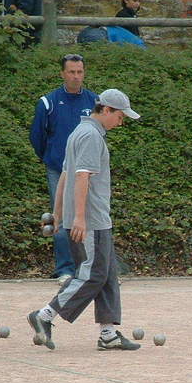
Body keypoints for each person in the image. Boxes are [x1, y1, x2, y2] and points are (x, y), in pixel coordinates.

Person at [27, 89, 143, 352]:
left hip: (90, 218)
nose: (121, 122)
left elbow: (64, 176)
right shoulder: (91, 136)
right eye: (120, 116)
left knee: (106, 274)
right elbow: (81, 178)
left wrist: (58, 215)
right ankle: (45, 315)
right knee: (93, 274)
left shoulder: (78, 133)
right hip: (91, 220)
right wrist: (79, 218)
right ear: (106, 110)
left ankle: (108, 333)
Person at [30, 54, 99, 284]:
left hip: (87, 171)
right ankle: (64, 269)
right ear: (62, 73)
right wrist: (52, 159)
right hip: (58, 169)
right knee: (59, 216)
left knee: (89, 215)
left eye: (80, 72)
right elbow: (37, 137)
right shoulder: (48, 102)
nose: (76, 76)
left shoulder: (94, 101)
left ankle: (88, 267)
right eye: (71, 72)